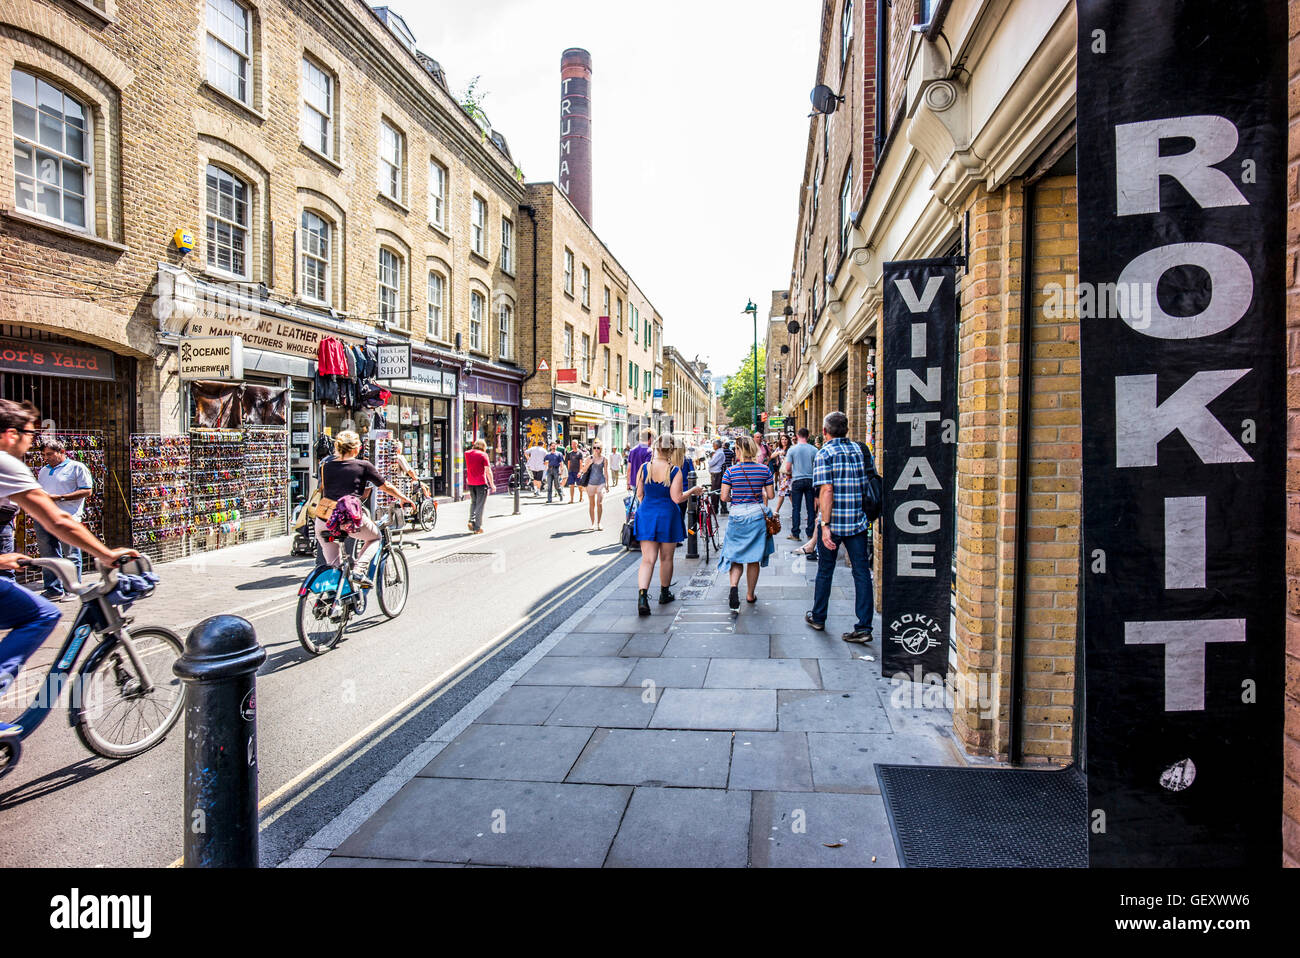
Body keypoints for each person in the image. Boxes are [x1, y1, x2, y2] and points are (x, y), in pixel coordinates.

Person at [0, 399, 139, 739]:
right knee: (43, 615)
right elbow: (58, 520)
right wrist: (107, 555)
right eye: (31, 434)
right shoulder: (7, 463)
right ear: (9, 433)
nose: (35, 442)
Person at [806, 411, 876, 643]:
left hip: (834, 523)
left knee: (825, 570)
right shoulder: (859, 450)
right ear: (847, 430)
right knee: (861, 572)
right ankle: (864, 627)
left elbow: (826, 490)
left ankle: (818, 616)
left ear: (825, 432)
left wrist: (824, 525)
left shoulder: (824, 452)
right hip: (857, 522)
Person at [317, 431, 413, 585]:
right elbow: (386, 486)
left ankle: (332, 599)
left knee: (334, 566)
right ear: (357, 449)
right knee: (375, 537)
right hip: (348, 519)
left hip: (324, 520)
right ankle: (359, 571)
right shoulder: (363, 466)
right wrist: (404, 498)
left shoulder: (326, 466)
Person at [633, 434, 705, 615]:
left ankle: (642, 597)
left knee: (647, 560)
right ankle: (664, 594)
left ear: (656, 447)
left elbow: (640, 494)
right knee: (666, 559)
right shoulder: (674, 471)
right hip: (667, 516)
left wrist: (648, 508)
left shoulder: (644, 468)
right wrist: (693, 490)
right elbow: (677, 498)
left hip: (647, 514)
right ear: (671, 450)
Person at [717, 435, 775, 611]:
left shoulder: (731, 472)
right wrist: (761, 494)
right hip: (756, 517)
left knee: (735, 556)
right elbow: (771, 495)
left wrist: (736, 497)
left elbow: (724, 497)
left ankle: (734, 587)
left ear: (738, 450)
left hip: (737, 516)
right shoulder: (764, 470)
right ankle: (750, 594)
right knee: (753, 558)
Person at [32, 438, 93, 601]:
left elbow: (87, 490)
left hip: (67, 517)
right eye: (44, 455)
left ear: (62, 452)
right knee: (49, 553)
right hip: (44, 516)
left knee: (71, 553)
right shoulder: (44, 470)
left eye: (50, 454)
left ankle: (73, 588)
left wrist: (60, 497)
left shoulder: (77, 467)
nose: (47, 458)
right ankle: (53, 589)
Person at [785, 427, 819, 543]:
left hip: (797, 480)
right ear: (808, 436)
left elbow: (788, 467)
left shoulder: (792, 450)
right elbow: (818, 467)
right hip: (810, 480)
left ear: (797, 436)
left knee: (796, 508)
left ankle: (795, 533)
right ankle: (810, 533)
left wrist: (791, 473)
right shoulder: (814, 450)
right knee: (811, 509)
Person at [465, 438, 495, 533]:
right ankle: (477, 527)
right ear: (483, 447)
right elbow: (488, 471)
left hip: (470, 482)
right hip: (481, 483)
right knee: (480, 505)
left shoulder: (467, 453)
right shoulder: (483, 455)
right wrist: (492, 484)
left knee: (473, 503)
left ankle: (471, 520)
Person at [584, 441, 609, 530]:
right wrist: (589, 463)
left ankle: (599, 523)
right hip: (590, 483)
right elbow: (583, 470)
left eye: (598, 448)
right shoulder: (589, 458)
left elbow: (605, 472)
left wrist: (607, 484)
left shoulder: (604, 459)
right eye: (594, 447)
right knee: (592, 504)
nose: (596, 449)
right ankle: (592, 523)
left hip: (601, 482)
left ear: (601, 449)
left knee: (599, 503)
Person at [707, 439, 728, 516]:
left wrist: (710, 459)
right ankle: (719, 507)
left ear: (717, 445)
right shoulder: (718, 452)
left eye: (713, 445)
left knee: (715, 492)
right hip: (715, 474)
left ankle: (715, 508)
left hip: (716, 474)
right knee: (716, 491)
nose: (713, 446)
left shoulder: (719, 453)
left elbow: (711, 463)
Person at [564, 439, 584, 504]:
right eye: (572, 444)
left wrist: (580, 472)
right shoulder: (570, 453)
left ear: (577, 444)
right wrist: (569, 470)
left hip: (578, 472)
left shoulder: (580, 453)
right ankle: (571, 499)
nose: (573, 445)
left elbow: (581, 463)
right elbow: (568, 462)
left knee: (579, 486)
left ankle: (581, 497)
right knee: (571, 486)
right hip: (571, 472)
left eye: (574, 444)